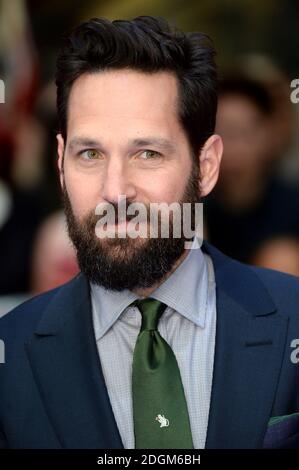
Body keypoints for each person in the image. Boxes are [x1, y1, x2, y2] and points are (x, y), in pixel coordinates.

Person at [0, 16, 298, 450]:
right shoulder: (10, 357)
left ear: (207, 165)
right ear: (61, 161)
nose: (115, 190)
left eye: (147, 153)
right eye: (90, 153)